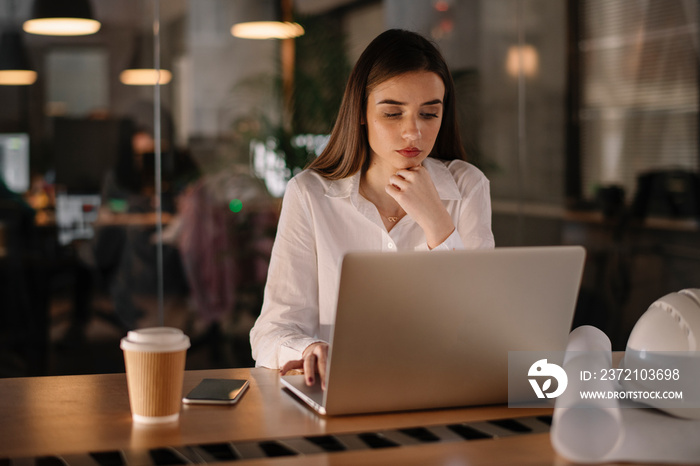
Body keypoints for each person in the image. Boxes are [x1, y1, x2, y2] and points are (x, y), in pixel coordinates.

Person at [249, 29, 495, 387]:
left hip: (439, 388)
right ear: (361, 112)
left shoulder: (467, 186)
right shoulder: (310, 195)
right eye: (393, 113)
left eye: (428, 114)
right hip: (341, 392)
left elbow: (484, 326)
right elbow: (271, 332)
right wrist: (308, 350)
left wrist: (437, 223)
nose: (413, 132)